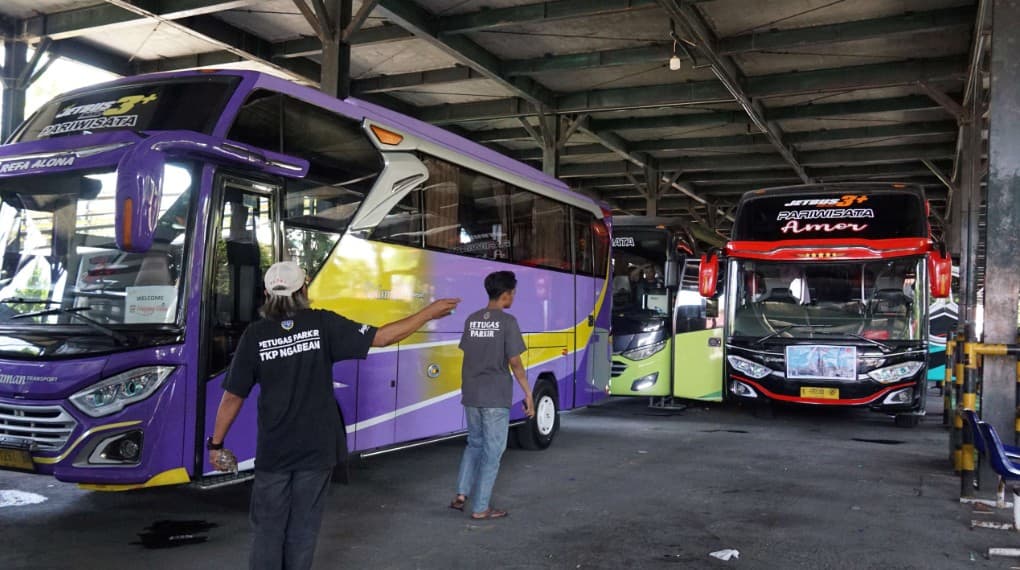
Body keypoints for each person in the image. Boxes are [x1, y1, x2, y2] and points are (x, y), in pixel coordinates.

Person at [208, 260, 460, 570]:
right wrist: (428, 313)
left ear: (266, 294)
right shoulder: (321, 324)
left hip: (275, 451)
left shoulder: (255, 335)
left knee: (268, 529)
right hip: (318, 449)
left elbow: (233, 396)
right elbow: (382, 337)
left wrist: (216, 444)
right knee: (304, 527)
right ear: (304, 289)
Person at [449, 270, 535, 520]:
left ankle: (461, 494)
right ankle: (481, 508)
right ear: (506, 294)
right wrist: (528, 394)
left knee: (474, 444)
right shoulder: (508, 322)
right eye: (513, 293)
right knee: (493, 452)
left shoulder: (472, 319)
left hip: (472, 392)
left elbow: (469, 355)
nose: (514, 297)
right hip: (495, 395)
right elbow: (515, 363)